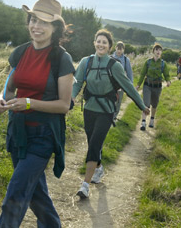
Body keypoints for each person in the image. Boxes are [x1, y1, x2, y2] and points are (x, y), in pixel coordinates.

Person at [0, 0, 75, 227]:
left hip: (43, 136)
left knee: (16, 192)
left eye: (43, 23)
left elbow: (64, 105)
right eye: (33, 20)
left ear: (55, 28)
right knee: (37, 196)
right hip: (17, 134)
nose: (36, 26)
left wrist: (30, 103)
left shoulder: (61, 58)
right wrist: (0, 100)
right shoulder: (20, 53)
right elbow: (9, 87)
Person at [72, 29, 150, 198]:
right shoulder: (86, 62)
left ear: (109, 47)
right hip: (89, 109)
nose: (101, 44)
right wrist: (70, 98)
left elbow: (128, 86)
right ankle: (98, 168)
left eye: (104, 42)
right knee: (92, 142)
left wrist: (142, 105)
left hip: (106, 111)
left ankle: (85, 185)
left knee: (94, 145)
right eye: (98, 41)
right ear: (94, 43)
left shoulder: (114, 65)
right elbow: (76, 83)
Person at [136, 43, 171, 131]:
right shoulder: (148, 62)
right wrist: (138, 84)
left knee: (154, 104)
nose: (158, 51)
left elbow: (166, 74)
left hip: (157, 87)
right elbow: (143, 74)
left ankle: (152, 120)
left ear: (161, 52)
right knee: (146, 104)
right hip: (147, 85)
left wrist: (168, 81)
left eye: (160, 50)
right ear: (153, 51)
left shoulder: (163, 64)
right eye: (156, 50)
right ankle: (143, 122)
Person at [111, 41, 134, 121]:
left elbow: (129, 72)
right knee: (110, 99)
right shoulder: (110, 57)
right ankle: (109, 114)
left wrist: (130, 85)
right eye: (118, 49)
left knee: (118, 100)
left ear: (123, 50)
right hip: (111, 83)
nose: (119, 51)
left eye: (121, 49)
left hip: (120, 84)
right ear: (115, 48)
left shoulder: (125, 59)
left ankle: (114, 116)